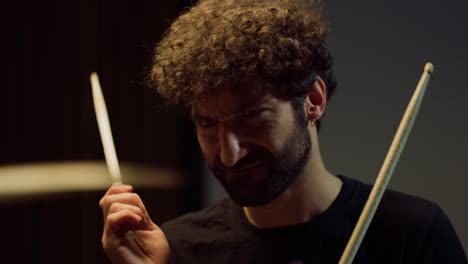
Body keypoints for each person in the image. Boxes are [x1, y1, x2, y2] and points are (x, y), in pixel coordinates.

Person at [99, 0, 467, 263]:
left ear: (313, 101)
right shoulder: (175, 249)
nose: (229, 153)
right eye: (208, 124)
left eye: (252, 115)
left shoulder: (413, 234)